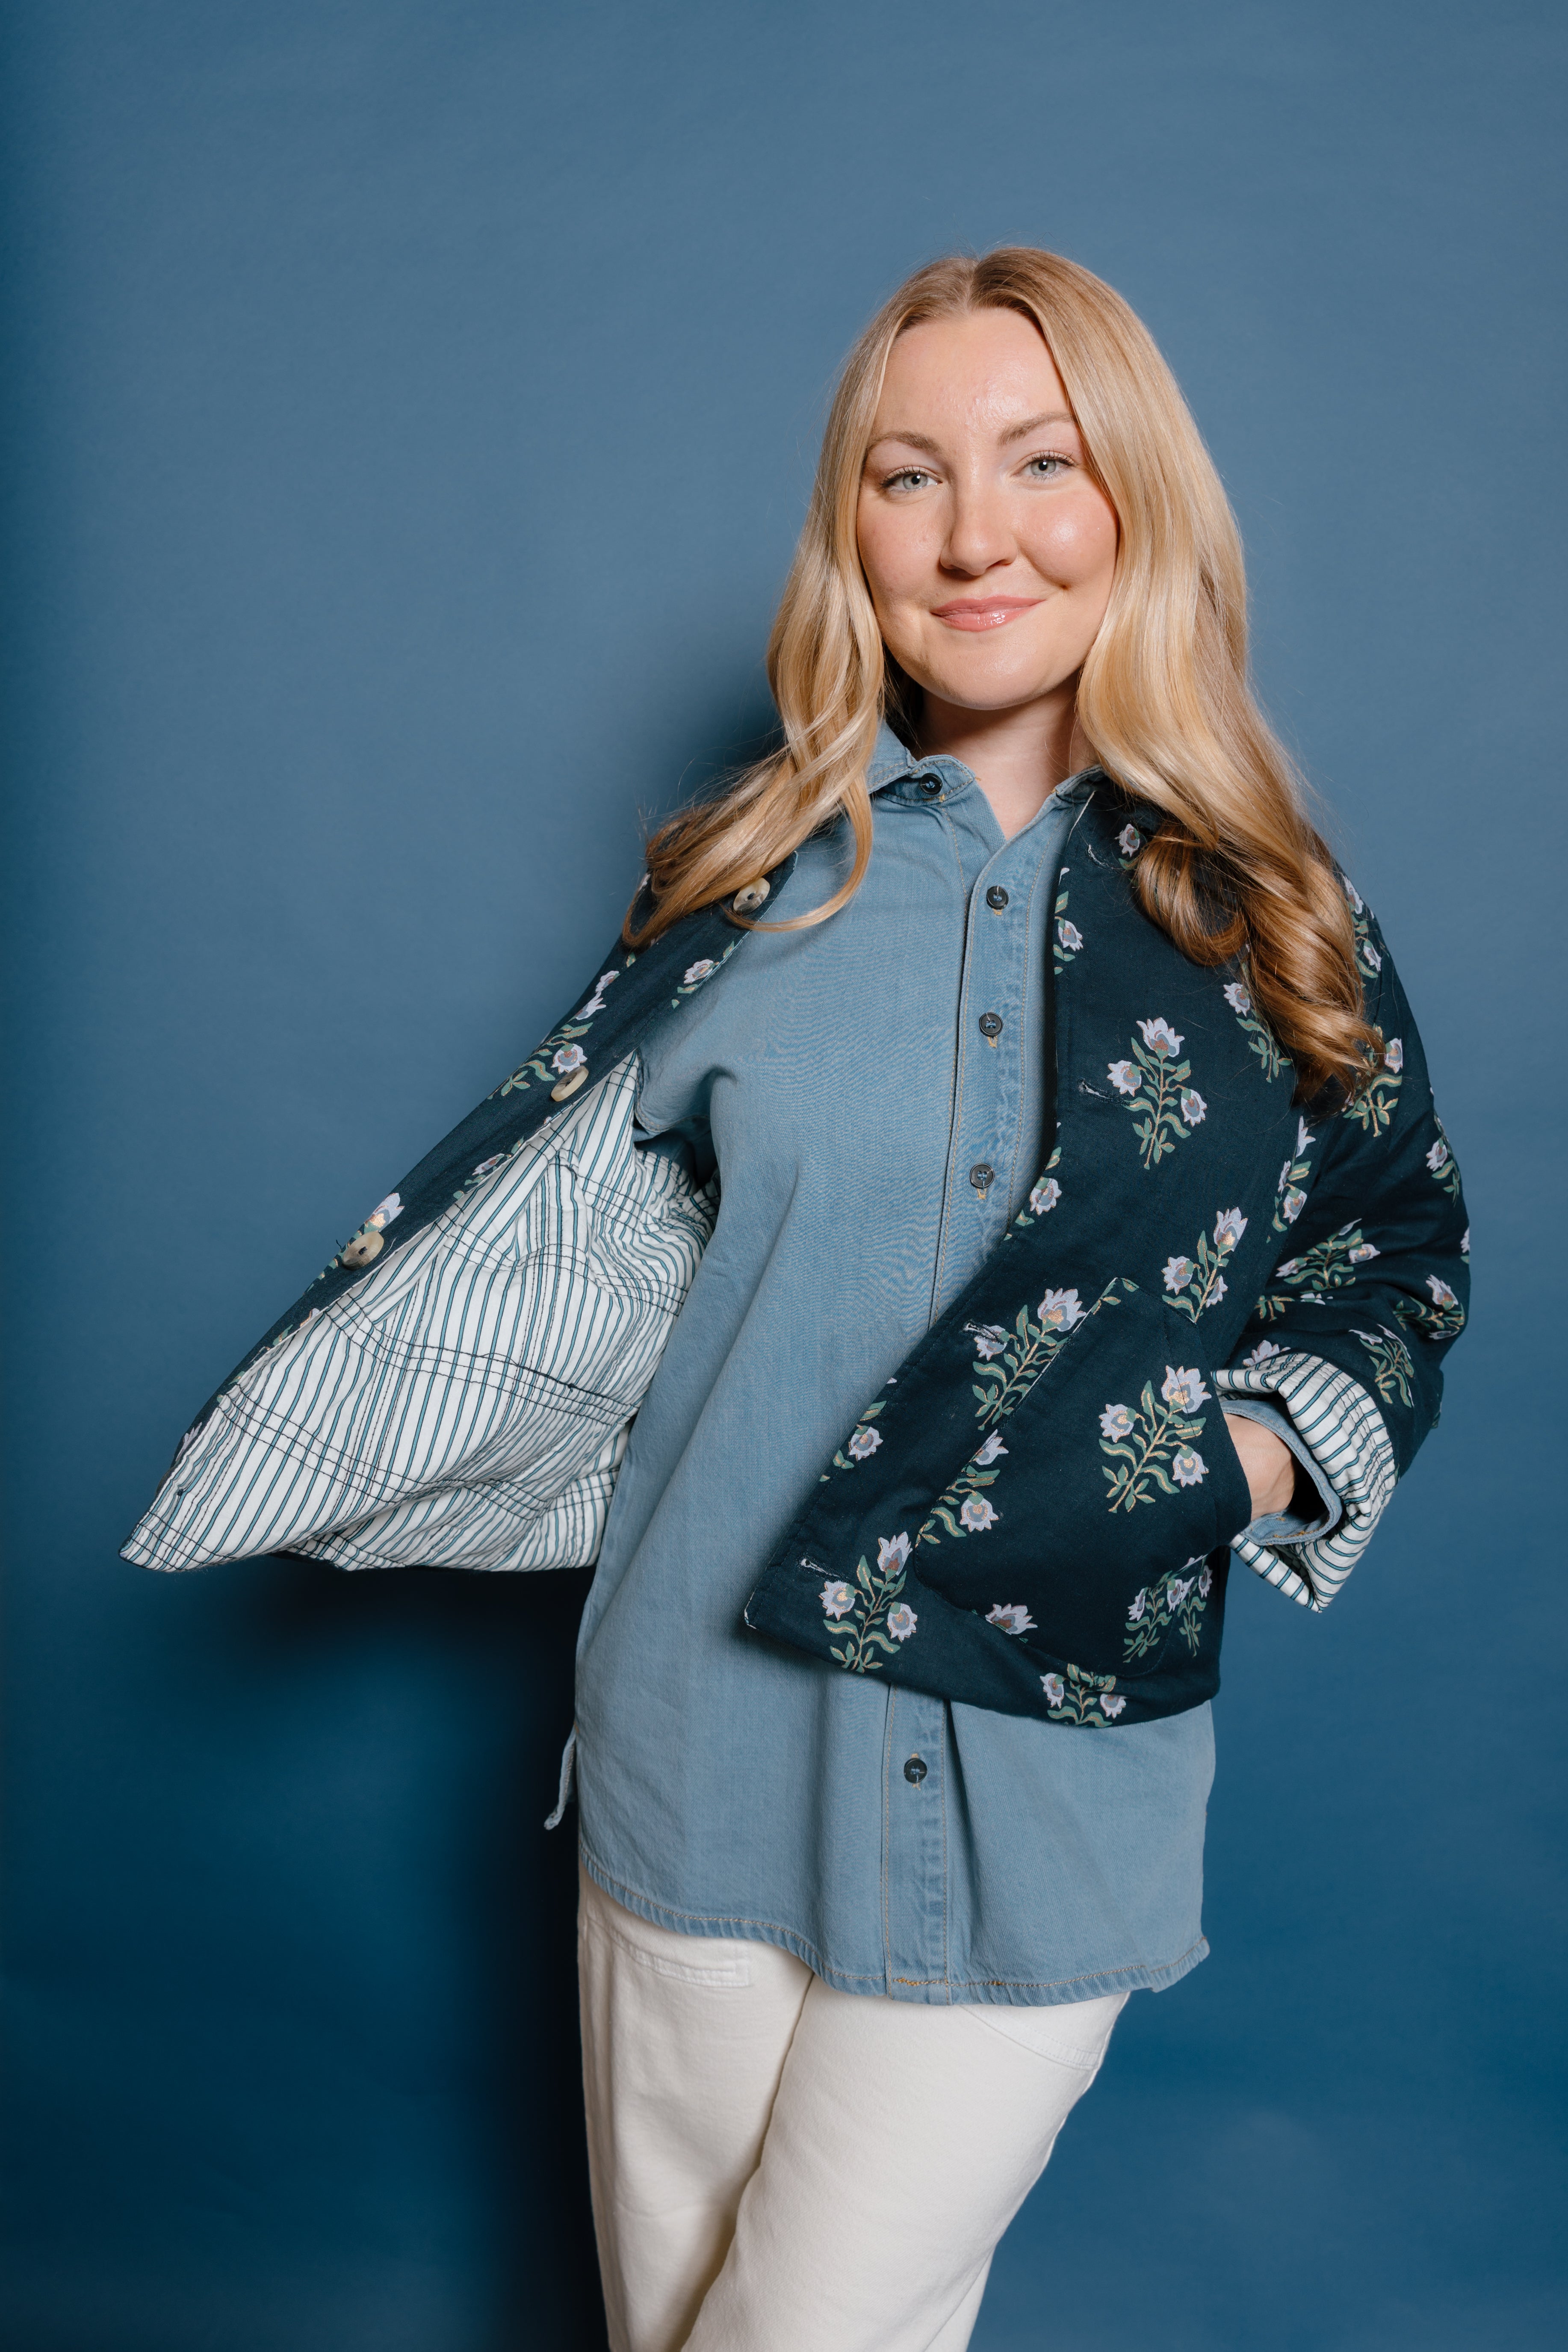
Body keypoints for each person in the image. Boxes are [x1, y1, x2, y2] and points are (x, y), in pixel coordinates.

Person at [124, 248, 1468, 2352]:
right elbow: (571, 1245)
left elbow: (1393, 1243)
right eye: (903, 472)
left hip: (1051, 1768)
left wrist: (1232, 1451)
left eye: (1038, 461)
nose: (970, 531)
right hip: (691, 1756)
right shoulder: (746, 880)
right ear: (848, 526)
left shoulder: (1266, 915)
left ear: (1135, 496)